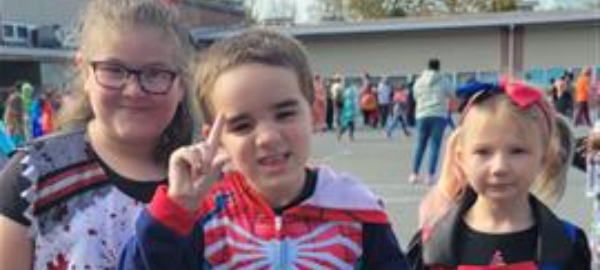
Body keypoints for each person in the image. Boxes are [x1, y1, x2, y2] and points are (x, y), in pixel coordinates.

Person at [118, 29, 410, 270]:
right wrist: (174, 211)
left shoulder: (356, 208)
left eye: (284, 114)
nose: (268, 137)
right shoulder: (200, 216)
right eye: (242, 125)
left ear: (316, 113)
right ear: (216, 140)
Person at [0, 0, 198, 269]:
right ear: (84, 71)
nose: (133, 90)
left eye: (155, 73)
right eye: (114, 70)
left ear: (181, 84)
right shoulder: (33, 175)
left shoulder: (205, 180)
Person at [407, 79, 591, 270]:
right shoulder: (432, 248)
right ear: (461, 158)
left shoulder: (566, 246)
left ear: (544, 158)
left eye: (517, 151)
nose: (499, 167)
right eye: (483, 151)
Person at [409, 58, 454, 185]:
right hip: (438, 114)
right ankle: (430, 175)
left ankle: (414, 174)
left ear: (427, 67)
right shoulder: (444, 80)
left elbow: (415, 96)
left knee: (420, 144)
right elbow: (452, 94)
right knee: (434, 146)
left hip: (422, 114)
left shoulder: (419, 81)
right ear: (439, 67)